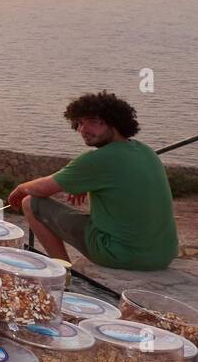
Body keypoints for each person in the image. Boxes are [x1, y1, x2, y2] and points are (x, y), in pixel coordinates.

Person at [9, 91, 178, 271]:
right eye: (80, 123)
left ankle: (64, 272)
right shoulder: (145, 151)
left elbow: (42, 189)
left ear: (115, 122)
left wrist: (19, 189)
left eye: (93, 121)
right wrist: (84, 184)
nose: (83, 129)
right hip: (163, 255)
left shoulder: (99, 159)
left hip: (120, 255)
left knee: (30, 202)